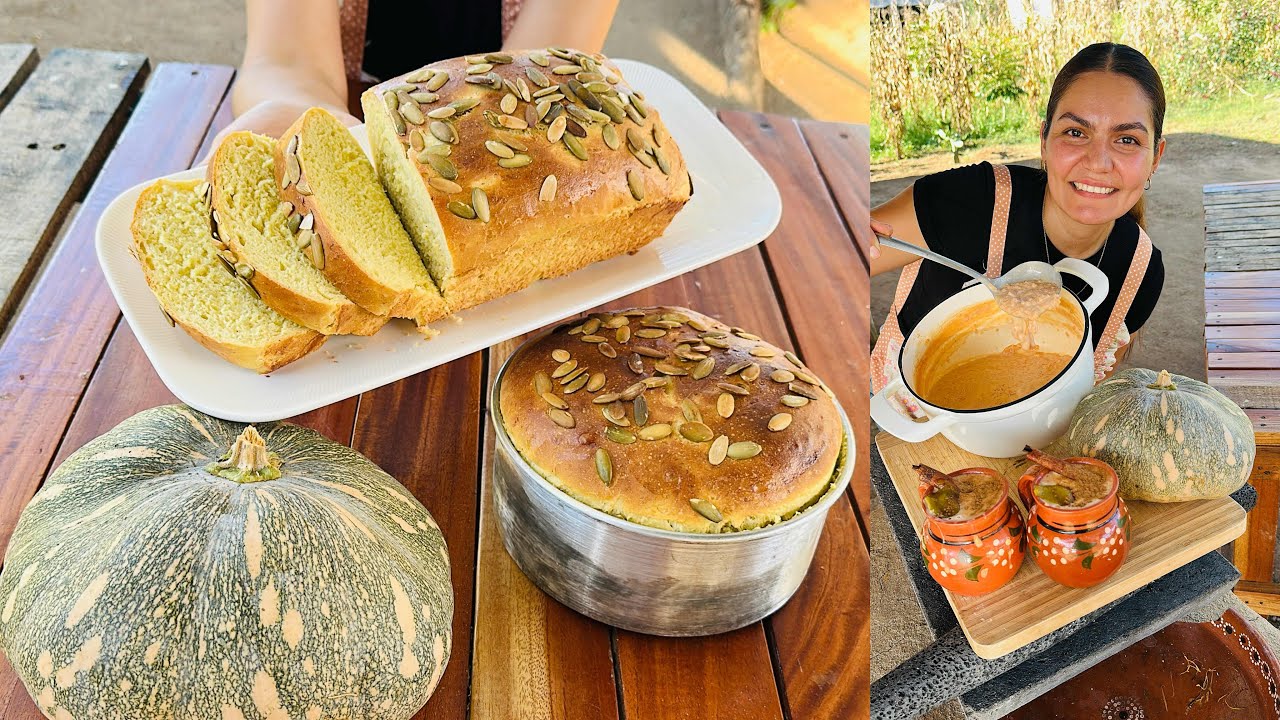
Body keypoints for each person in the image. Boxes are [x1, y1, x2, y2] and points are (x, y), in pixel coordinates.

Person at [868, 42, 1167, 393]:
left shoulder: (1140, 273)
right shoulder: (970, 199)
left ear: (1155, 157)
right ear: (1044, 141)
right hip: (912, 431)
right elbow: (836, 258)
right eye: (1075, 133)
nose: (1097, 162)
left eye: (1127, 139)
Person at [211, 0, 620, 149]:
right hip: (355, 103)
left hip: (500, 139)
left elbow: (535, 79)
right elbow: (286, 62)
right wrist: (315, 128)